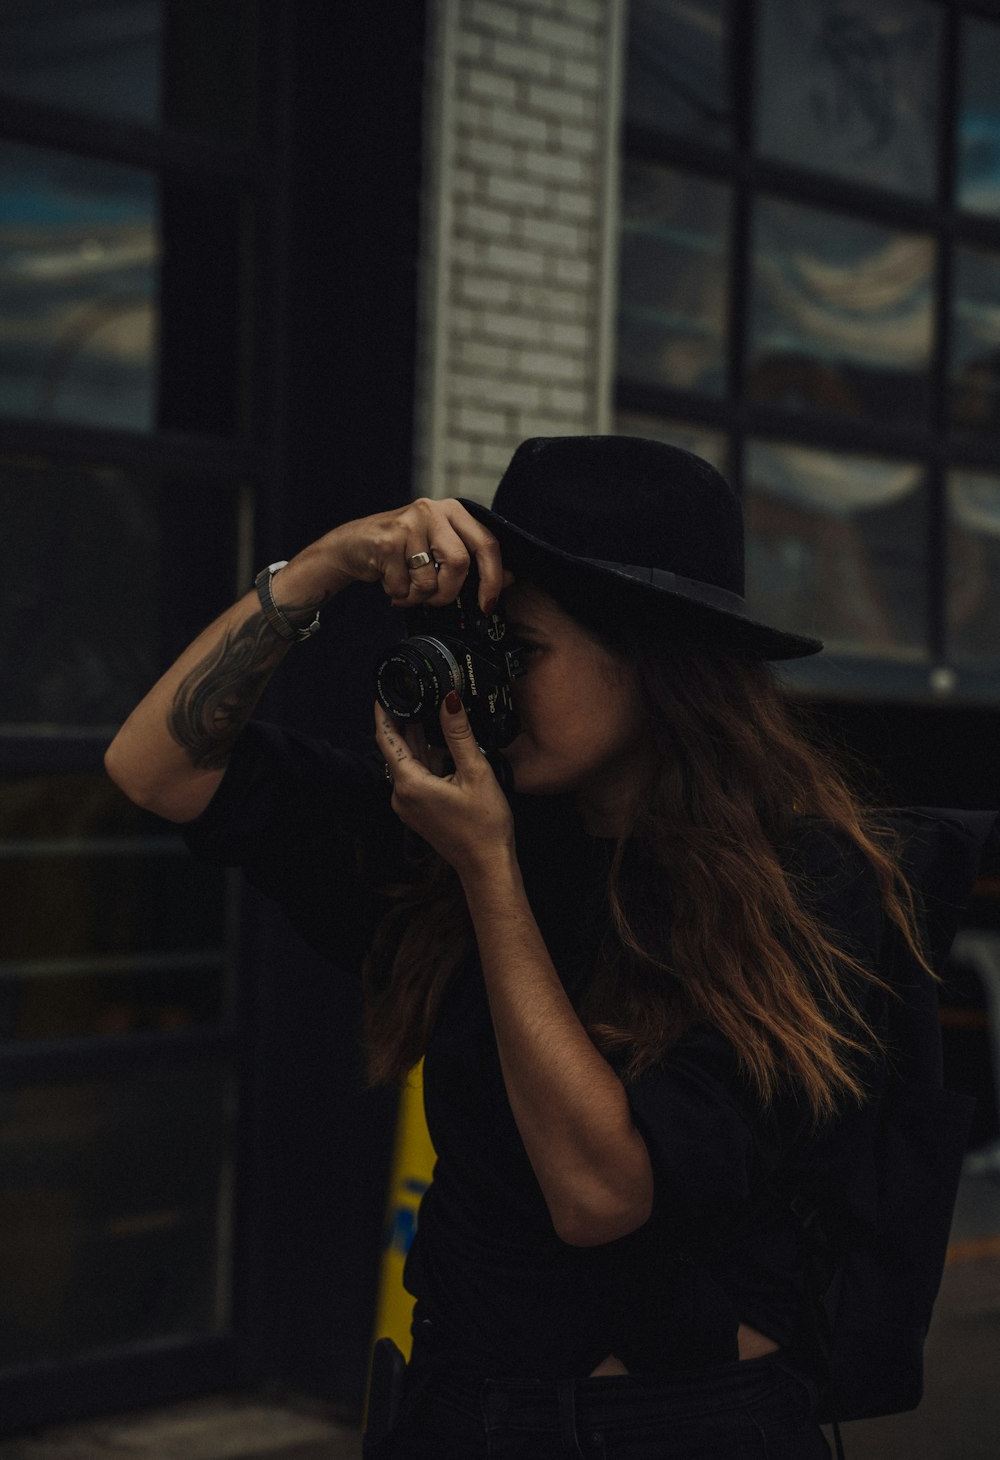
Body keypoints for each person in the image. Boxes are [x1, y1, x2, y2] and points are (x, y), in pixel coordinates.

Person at [104, 435, 997, 1459]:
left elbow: (600, 1196)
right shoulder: (460, 825)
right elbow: (153, 766)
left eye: (515, 654)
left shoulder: (802, 884)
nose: (483, 686)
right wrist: (325, 565)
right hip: (457, 1407)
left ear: (654, 657)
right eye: (476, 649)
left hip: (678, 1426)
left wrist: (492, 877)